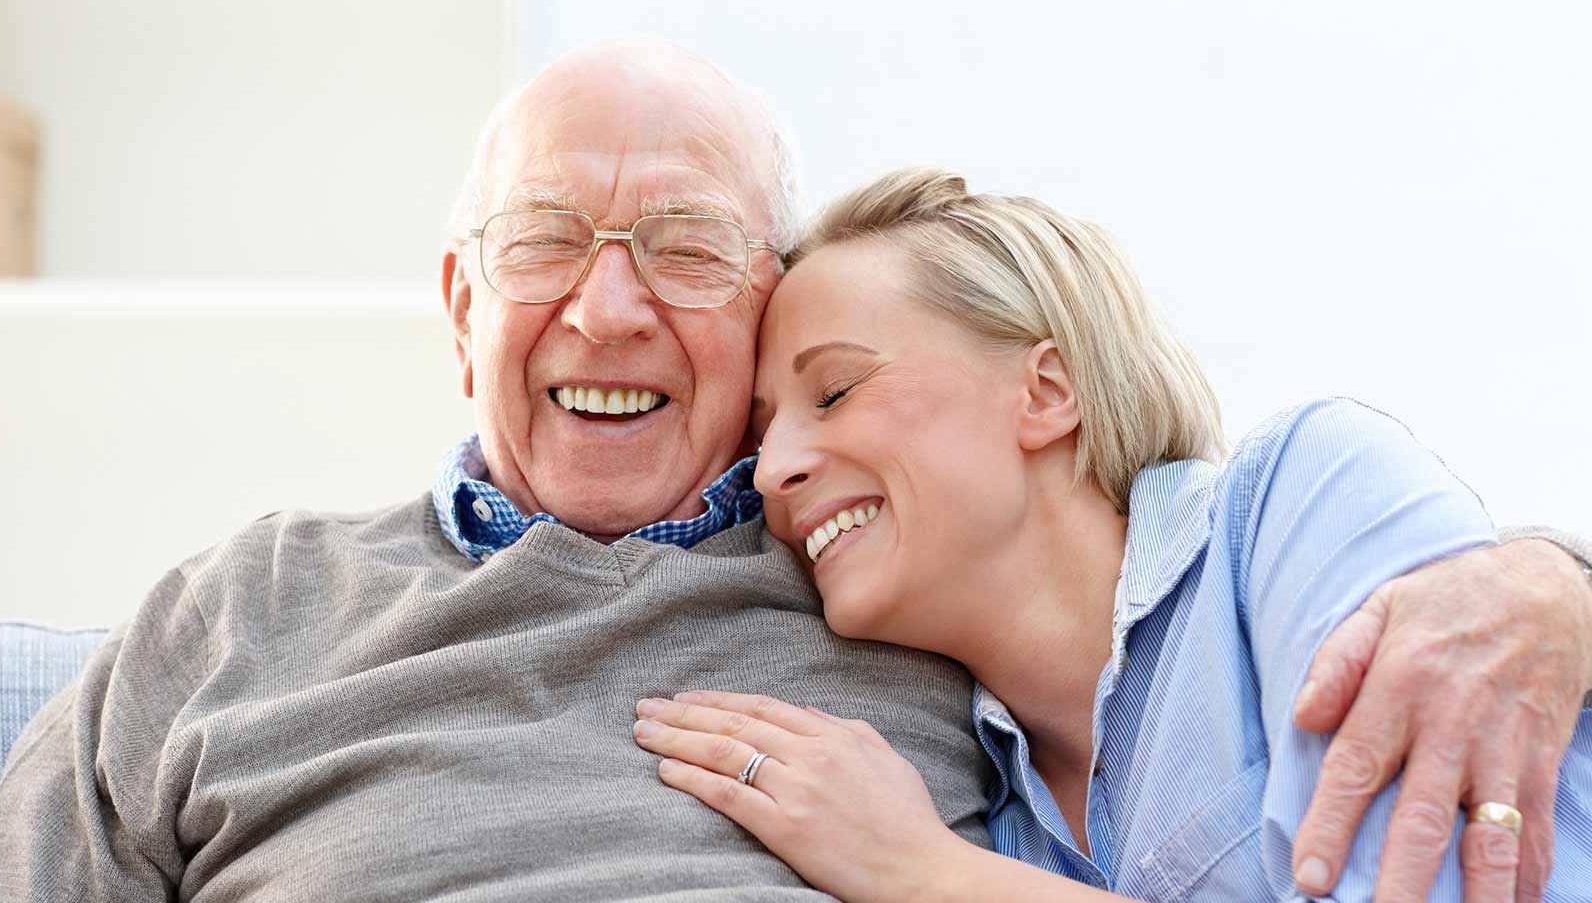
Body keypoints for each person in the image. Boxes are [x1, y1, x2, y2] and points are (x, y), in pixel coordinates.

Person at [0, 43, 1591, 901]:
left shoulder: (902, 619)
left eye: (688, 248)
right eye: (545, 239)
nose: (609, 306)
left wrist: (1553, 582)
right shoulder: (241, 614)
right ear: (459, 304)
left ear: (758, 313)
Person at [630, 166, 1592, 902]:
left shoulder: (1293, 500)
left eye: (836, 390)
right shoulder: (997, 814)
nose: (773, 471)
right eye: (761, 437)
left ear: (1046, 391)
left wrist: (931, 875)